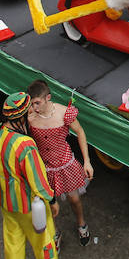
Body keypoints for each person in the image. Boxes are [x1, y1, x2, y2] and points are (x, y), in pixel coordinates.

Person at [0, 92, 75, 259]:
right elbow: (38, 180)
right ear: (19, 118)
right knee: (43, 240)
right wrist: (52, 200)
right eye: (28, 113)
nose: (31, 114)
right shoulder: (25, 145)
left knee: (12, 239)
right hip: (28, 205)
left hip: (6, 201)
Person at [26, 80, 94, 246]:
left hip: (65, 165)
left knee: (74, 200)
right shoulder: (29, 116)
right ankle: (54, 232)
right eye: (32, 103)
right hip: (43, 167)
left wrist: (87, 161)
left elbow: (80, 131)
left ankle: (81, 224)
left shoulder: (64, 113)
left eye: (37, 103)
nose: (35, 107)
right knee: (47, 204)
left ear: (48, 97)